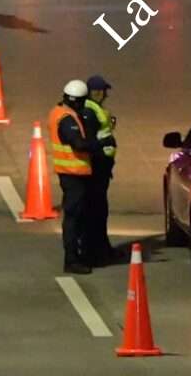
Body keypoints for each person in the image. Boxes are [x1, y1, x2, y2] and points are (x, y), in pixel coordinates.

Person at [49, 79, 103, 274]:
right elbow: (78, 144)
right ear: (78, 101)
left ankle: (78, 255)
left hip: (72, 174)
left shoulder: (60, 112)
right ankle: (72, 259)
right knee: (73, 218)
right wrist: (99, 144)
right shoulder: (67, 119)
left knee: (77, 217)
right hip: (73, 176)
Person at [81, 74, 121, 266]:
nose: (102, 94)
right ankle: (96, 251)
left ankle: (101, 248)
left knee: (99, 209)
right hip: (97, 166)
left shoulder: (95, 108)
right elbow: (90, 141)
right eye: (99, 91)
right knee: (96, 210)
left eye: (102, 91)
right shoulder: (90, 111)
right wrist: (104, 144)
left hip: (102, 166)